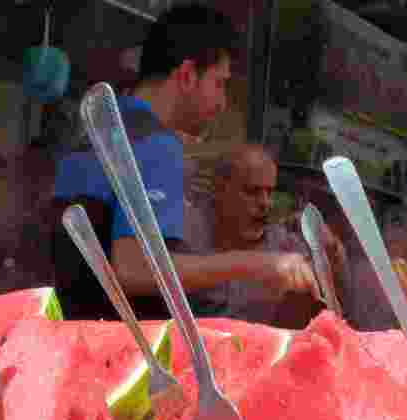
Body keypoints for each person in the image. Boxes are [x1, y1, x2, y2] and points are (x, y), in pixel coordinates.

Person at [51, 4, 319, 319]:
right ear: (188, 75)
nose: (221, 103)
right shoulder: (155, 142)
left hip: (72, 334)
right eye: (219, 83)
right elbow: (134, 268)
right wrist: (260, 263)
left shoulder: (97, 128)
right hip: (123, 346)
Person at [182, 143, 340, 325]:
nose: (265, 203)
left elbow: (321, 314)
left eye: (270, 192)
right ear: (219, 189)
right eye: (252, 191)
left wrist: (331, 255)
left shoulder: (285, 247)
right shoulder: (187, 233)